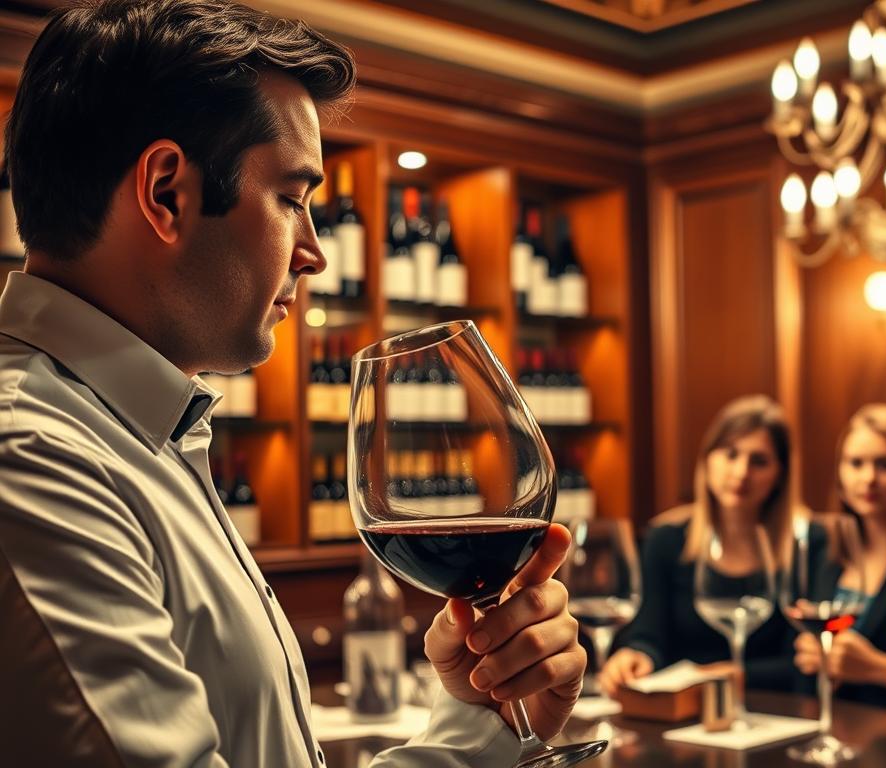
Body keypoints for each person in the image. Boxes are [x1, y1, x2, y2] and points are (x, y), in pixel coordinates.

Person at [0, 2, 583, 765]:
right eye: (292, 198)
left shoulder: (143, 433)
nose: (315, 254)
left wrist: (479, 725)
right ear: (167, 192)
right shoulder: (36, 461)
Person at [597, 395, 800, 695]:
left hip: (776, 714)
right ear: (707, 459)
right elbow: (648, 635)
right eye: (731, 454)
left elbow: (801, 661)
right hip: (684, 714)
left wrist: (730, 675)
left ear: (780, 474)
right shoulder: (665, 539)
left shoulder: (802, 547)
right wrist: (635, 656)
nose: (741, 472)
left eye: (759, 461)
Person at [792, 403, 886, 706]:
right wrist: (809, 654)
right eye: (856, 463)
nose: (869, 478)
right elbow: (794, 656)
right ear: (840, 474)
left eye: (885, 465)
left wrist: (876, 668)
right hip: (821, 720)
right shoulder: (822, 547)